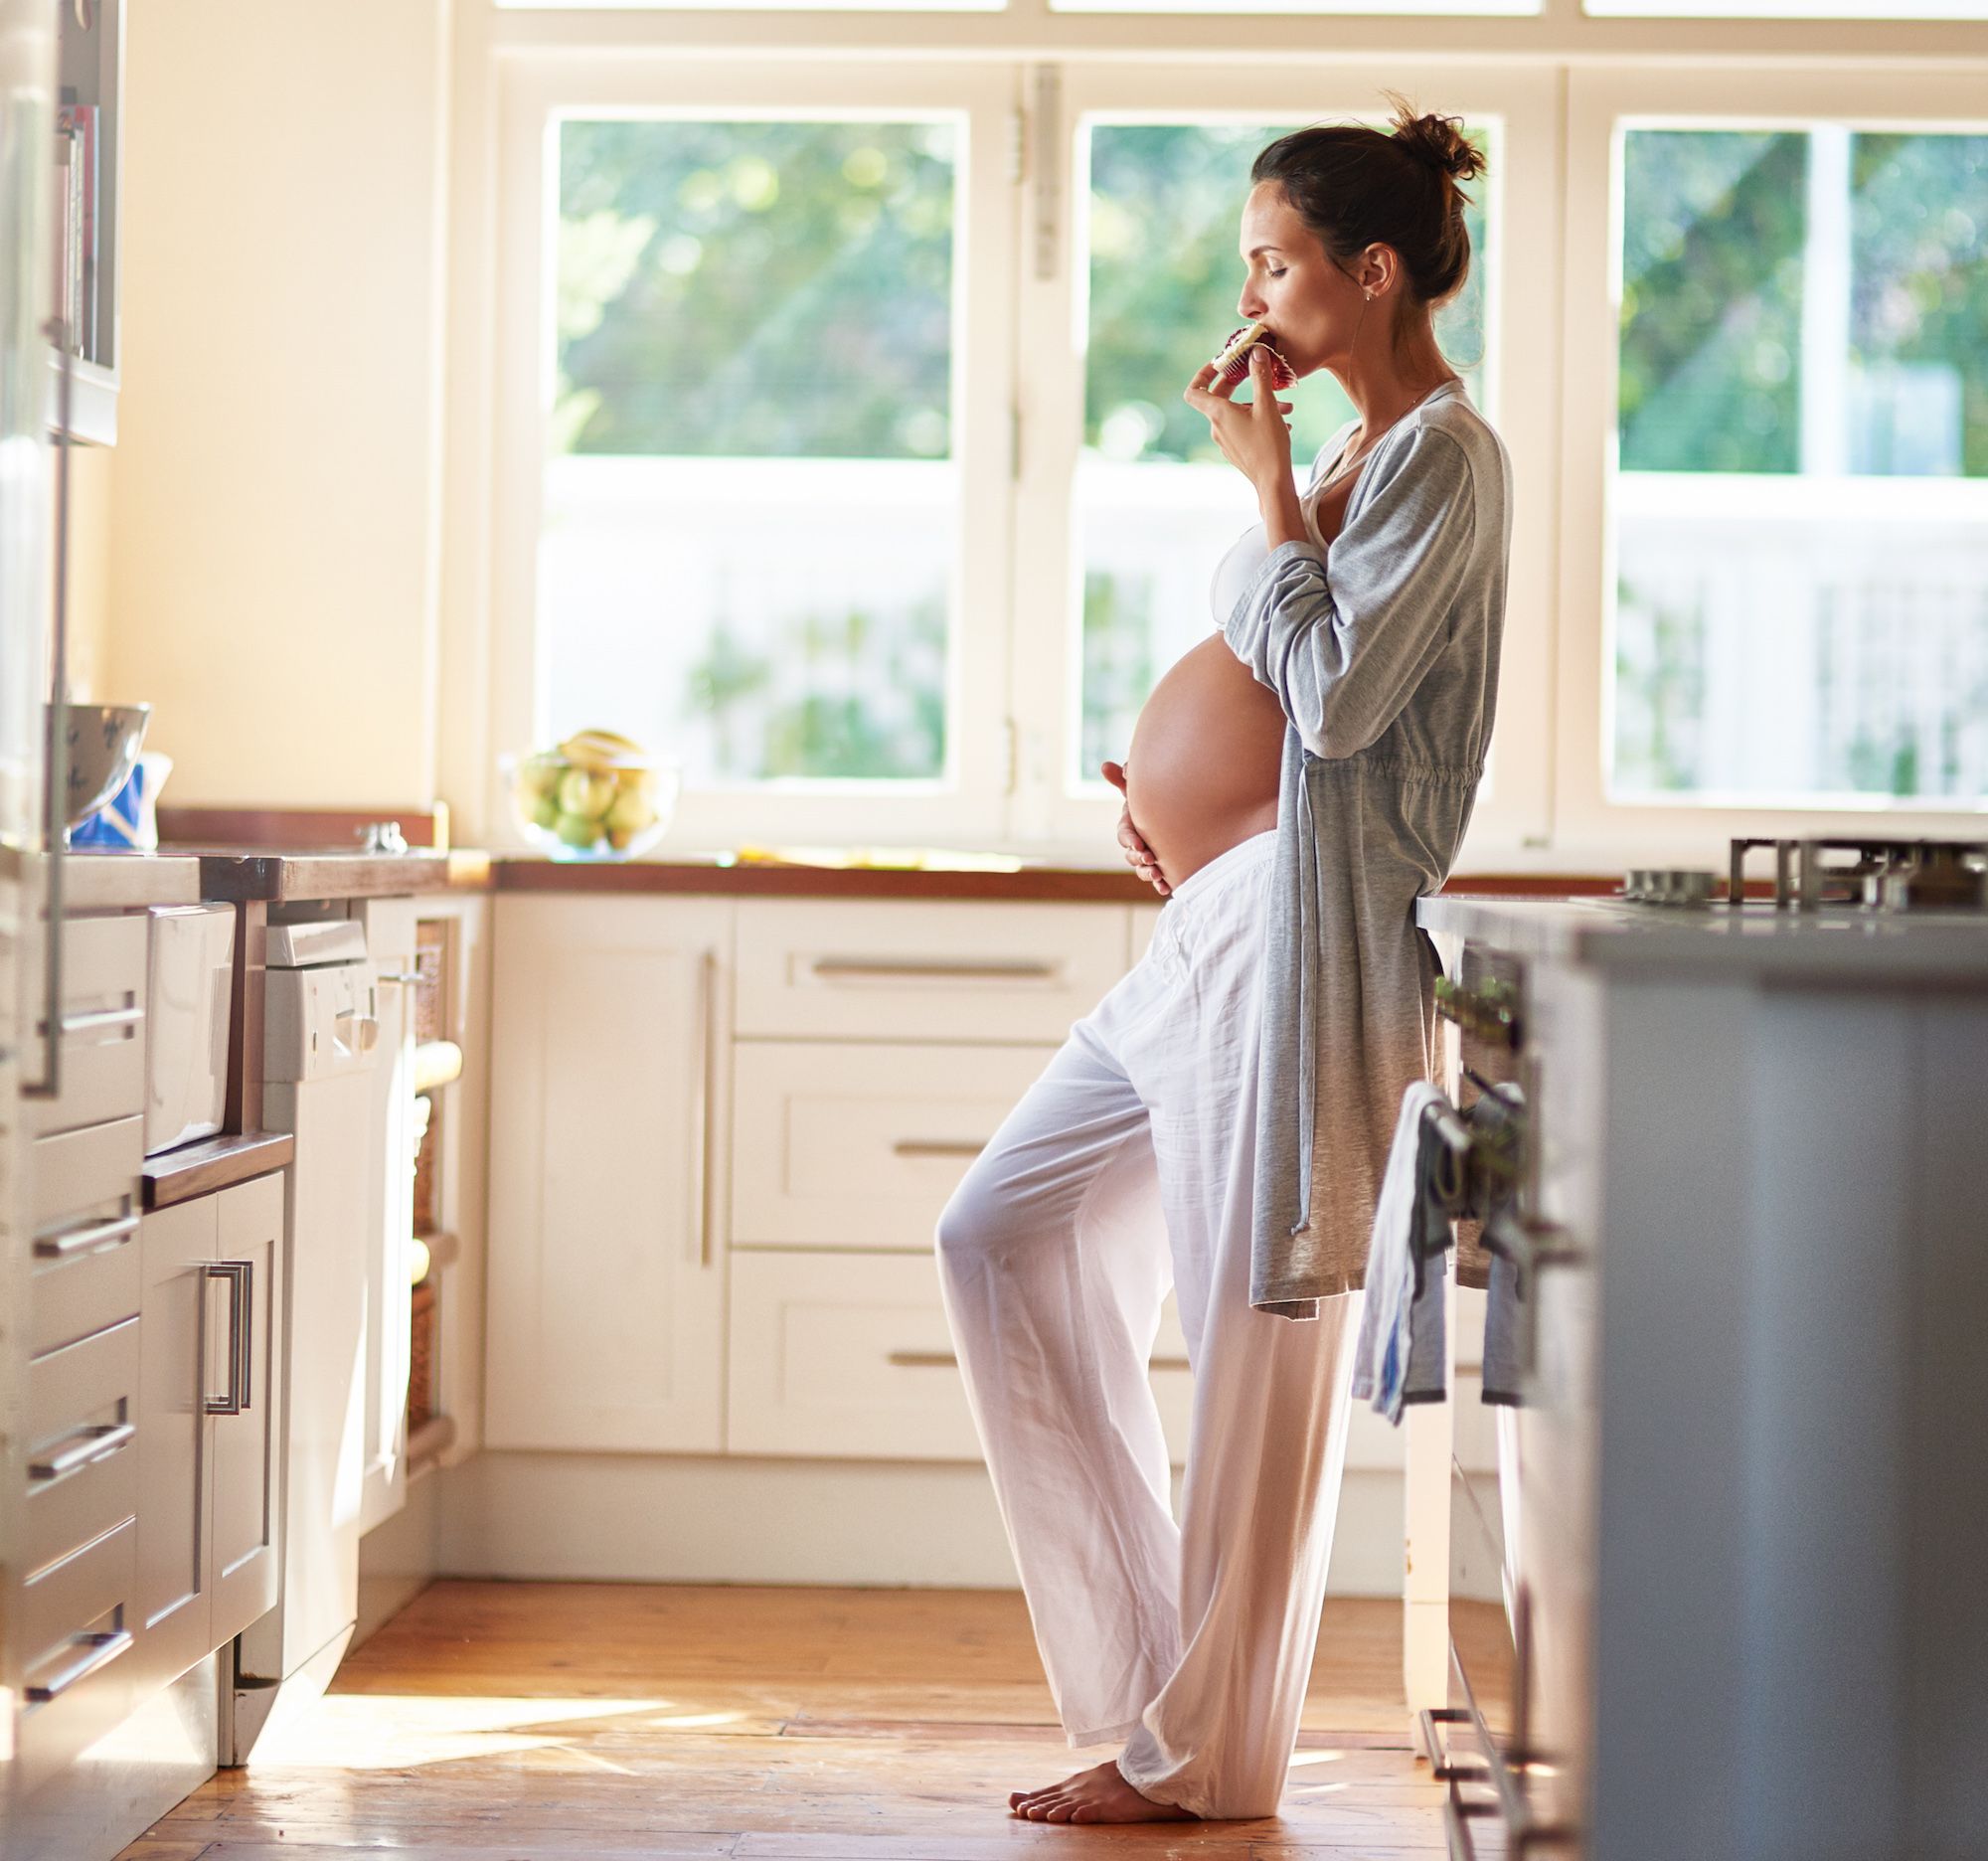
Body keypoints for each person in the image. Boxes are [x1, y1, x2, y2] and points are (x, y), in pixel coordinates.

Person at [933, 94, 1513, 1825]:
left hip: (1296, 933)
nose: (1252, 290)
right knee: (1001, 1235)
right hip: (1215, 915)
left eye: (1276, 258)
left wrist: (1261, 492)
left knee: (1258, 1353)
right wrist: (1171, 802)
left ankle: (1207, 1758)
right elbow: (1290, 695)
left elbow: (1335, 694)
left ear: (1374, 267)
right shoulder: (1355, 456)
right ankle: (1141, 1702)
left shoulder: (1441, 457)